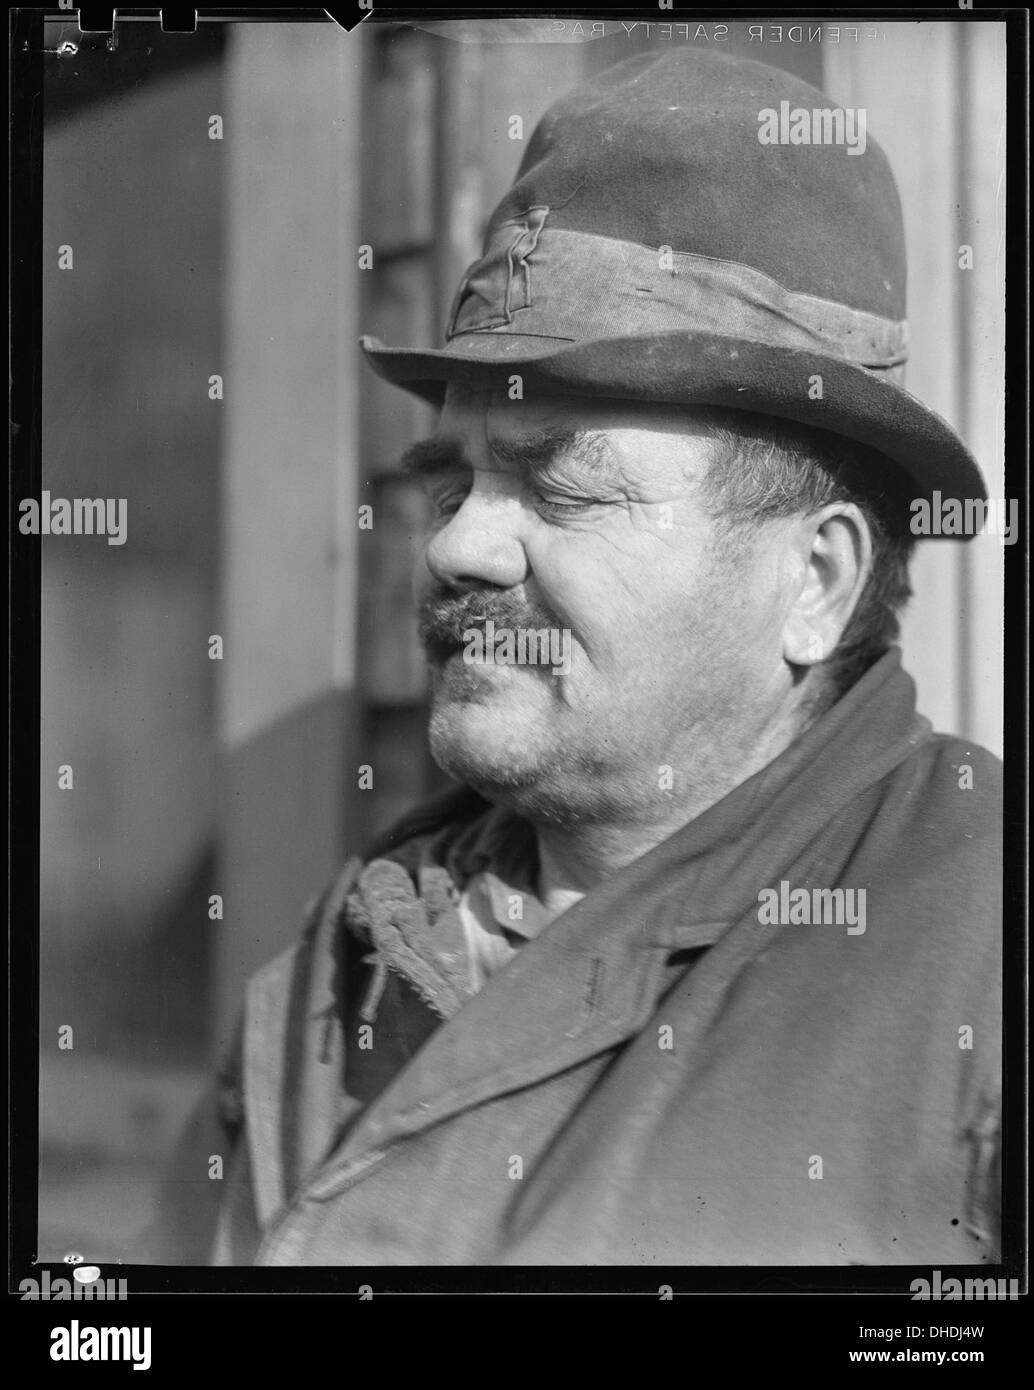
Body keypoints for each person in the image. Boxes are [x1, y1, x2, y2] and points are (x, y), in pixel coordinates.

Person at [152, 47, 1001, 1267]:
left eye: (555, 478)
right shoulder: (343, 963)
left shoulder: (982, 948)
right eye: (452, 480)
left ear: (811, 582)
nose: (456, 544)